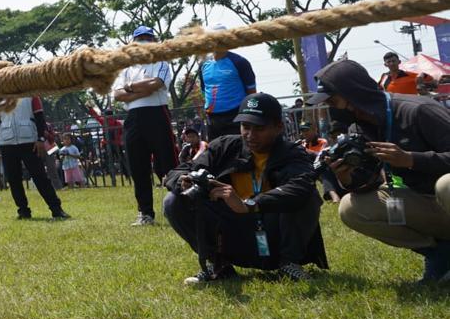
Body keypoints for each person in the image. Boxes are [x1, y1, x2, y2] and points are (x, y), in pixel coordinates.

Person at [309, 59, 450, 283]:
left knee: (447, 183)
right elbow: (370, 181)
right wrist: (347, 179)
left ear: (352, 94)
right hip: (423, 201)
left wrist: (411, 159)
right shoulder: (359, 129)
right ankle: (440, 255)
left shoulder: (419, 110)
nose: (331, 108)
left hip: (445, 194)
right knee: (351, 208)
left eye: (333, 101)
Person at [163, 93, 328, 284]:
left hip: (276, 231)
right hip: (234, 232)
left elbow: (300, 187)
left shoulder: (293, 153)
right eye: (245, 127)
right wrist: (183, 181)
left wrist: (248, 204)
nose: (250, 134)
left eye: (259, 128)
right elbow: (179, 170)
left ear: (278, 127)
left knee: (308, 194)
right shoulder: (225, 146)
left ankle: (288, 263)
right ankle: (219, 265)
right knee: (173, 200)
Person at [113, 25, 178, 226]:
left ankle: (180, 205)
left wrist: (130, 89)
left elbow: (156, 84)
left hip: (157, 113)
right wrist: (141, 89)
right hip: (133, 117)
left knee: (167, 163)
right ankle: (145, 213)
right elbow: (117, 94)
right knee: (138, 166)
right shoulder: (126, 67)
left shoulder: (161, 61)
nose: (143, 42)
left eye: (147, 38)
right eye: (139, 38)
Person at [0, 97, 70, 220]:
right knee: (13, 180)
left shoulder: (32, 95)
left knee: (40, 177)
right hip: (6, 142)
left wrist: (40, 139)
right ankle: (23, 211)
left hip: (29, 141)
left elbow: (40, 118)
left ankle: (56, 209)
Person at [198, 26, 257, 138]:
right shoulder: (203, 64)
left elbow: (252, 92)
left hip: (236, 116)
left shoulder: (239, 62)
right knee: (216, 152)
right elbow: (204, 89)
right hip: (213, 118)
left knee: (238, 152)